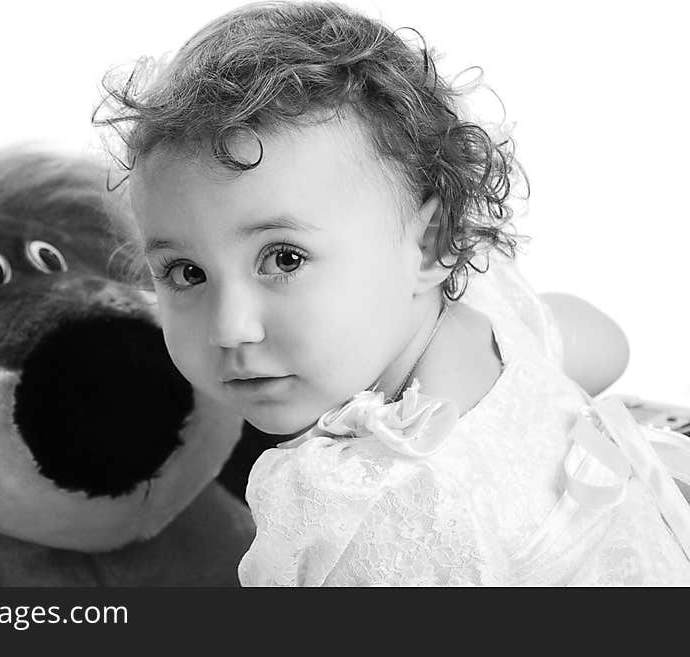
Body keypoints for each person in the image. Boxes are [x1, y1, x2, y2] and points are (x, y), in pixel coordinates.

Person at [98, 1, 690, 585]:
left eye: (284, 259)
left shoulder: (347, 501)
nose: (230, 328)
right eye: (185, 273)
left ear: (428, 246)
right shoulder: (489, 310)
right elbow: (609, 342)